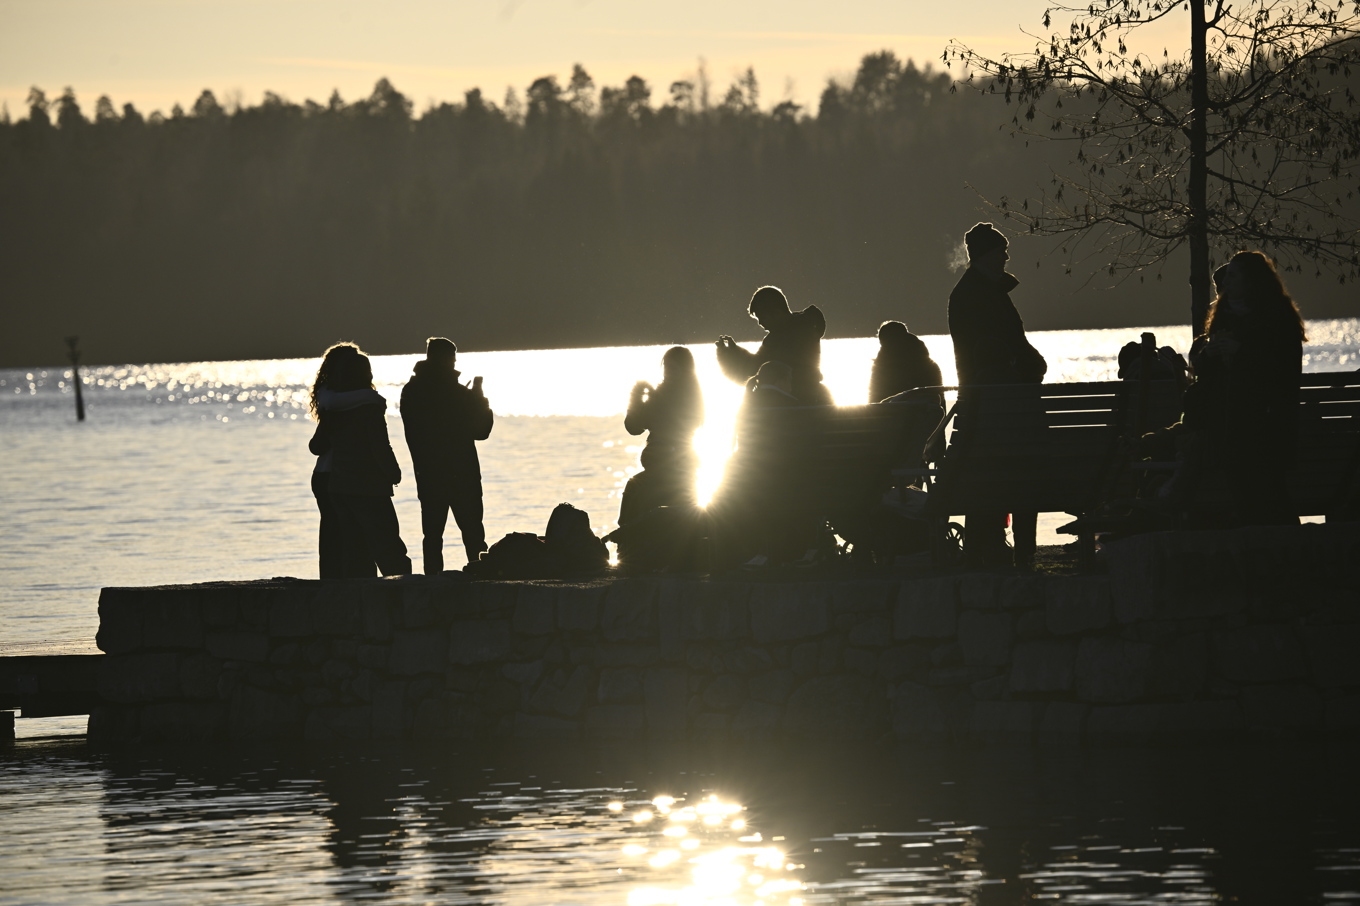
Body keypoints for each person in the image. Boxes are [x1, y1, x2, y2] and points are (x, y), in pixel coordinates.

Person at [1170, 250, 1306, 525]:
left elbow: (1285, 370)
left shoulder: (1277, 315)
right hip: (1229, 420)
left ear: (1251, 280)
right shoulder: (1224, 315)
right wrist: (1209, 355)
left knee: (1269, 490)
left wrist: (1240, 352)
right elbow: (1209, 375)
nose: (1226, 282)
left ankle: (1285, 547)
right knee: (1242, 488)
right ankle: (1258, 548)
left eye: (1233, 276)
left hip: (1265, 420)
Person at [948, 222, 1046, 568]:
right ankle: (1016, 552)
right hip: (1000, 406)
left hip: (987, 404)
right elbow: (1002, 348)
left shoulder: (976, 293)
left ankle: (991, 549)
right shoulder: (982, 296)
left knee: (991, 479)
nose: (1006, 257)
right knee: (1014, 478)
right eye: (1001, 251)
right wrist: (1033, 368)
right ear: (987, 255)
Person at [309, 344, 412, 576]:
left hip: (332, 481)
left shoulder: (331, 403)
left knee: (341, 541)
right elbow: (379, 445)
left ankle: (336, 587)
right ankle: (398, 589)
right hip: (361, 481)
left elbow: (316, 446)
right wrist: (392, 472)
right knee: (384, 542)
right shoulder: (369, 404)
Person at [400, 337, 494, 574]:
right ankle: (480, 580)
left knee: (432, 537)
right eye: (452, 358)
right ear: (446, 359)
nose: (454, 363)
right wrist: (480, 400)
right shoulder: (457, 393)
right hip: (463, 473)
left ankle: (432, 584)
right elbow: (481, 431)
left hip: (428, 474)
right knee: (473, 536)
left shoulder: (411, 391)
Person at [308, 343, 381, 579]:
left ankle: (334, 580)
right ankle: (338, 581)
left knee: (336, 532)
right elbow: (317, 445)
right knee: (341, 532)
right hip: (332, 475)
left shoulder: (341, 400)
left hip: (330, 474)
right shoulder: (341, 400)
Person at [617, 346, 705, 526]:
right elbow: (634, 427)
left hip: (674, 466)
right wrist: (636, 396)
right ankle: (627, 533)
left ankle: (627, 533)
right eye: (666, 367)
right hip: (666, 465)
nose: (668, 372)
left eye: (673, 368)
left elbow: (636, 425)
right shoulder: (664, 394)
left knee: (636, 491)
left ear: (684, 370)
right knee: (634, 489)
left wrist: (642, 397)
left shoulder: (682, 396)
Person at [715, 285, 833, 405]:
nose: (760, 323)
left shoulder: (781, 337)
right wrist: (735, 351)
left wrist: (729, 354)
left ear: (776, 312)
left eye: (762, 317)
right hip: (814, 397)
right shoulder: (805, 327)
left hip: (793, 401)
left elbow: (755, 370)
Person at [869, 320, 943, 404]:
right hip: (926, 412)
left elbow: (874, 398)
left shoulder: (882, 367)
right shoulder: (929, 364)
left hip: (896, 412)